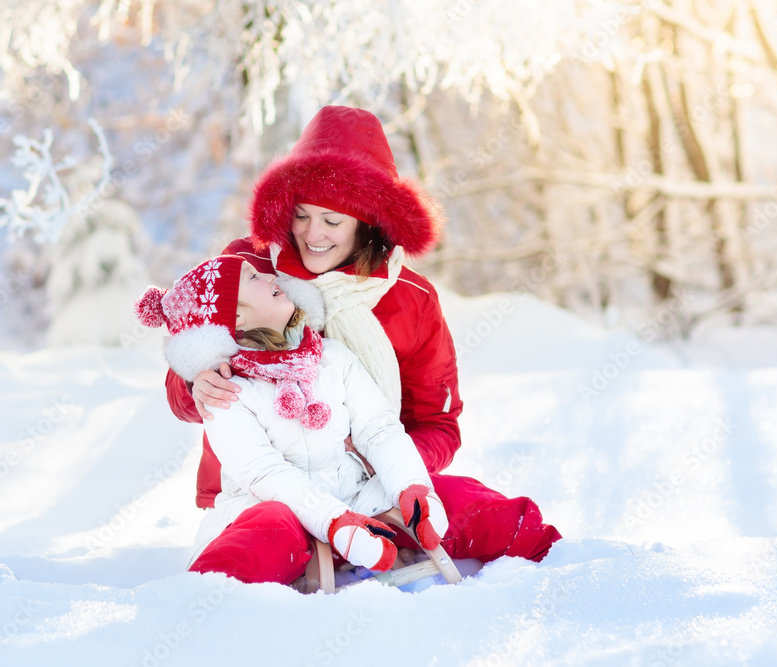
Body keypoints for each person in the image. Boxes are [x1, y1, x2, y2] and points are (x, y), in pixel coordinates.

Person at [166, 105, 561, 564]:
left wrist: (390, 468)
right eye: (301, 215)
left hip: (367, 486)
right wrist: (197, 383)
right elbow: (185, 369)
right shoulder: (247, 272)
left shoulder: (411, 301)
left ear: (367, 223)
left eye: (333, 221)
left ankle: (557, 566)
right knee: (263, 538)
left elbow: (437, 422)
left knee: (471, 502)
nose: (312, 234)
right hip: (263, 495)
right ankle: (215, 597)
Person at [137, 254, 450, 582]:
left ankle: (508, 533)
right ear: (238, 316)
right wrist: (333, 519)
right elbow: (264, 472)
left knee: (447, 494)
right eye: (253, 277)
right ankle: (196, 596)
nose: (271, 277)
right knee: (267, 529)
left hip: (353, 496)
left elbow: (380, 428)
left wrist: (412, 486)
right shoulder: (224, 391)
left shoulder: (332, 357)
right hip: (280, 510)